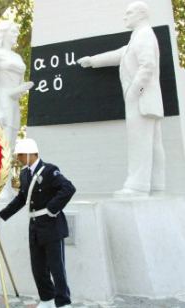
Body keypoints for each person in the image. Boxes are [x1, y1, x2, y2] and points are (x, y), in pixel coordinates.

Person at [77, 1, 165, 196]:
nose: (125, 17)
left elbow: (147, 66)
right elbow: (120, 54)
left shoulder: (144, 35)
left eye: (129, 13)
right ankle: (156, 184)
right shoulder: (139, 36)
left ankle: (137, 186)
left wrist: (133, 92)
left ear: (141, 14)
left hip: (141, 100)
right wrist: (93, 61)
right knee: (153, 144)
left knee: (140, 141)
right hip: (147, 100)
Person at [0, 138, 76, 308]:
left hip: (52, 226)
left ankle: (63, 303)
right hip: (35, 227)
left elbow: (68, 188)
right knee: (38, 268)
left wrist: (52, 209)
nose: (20, 158)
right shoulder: (24, 174)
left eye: (22, 155)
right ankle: (47, 299)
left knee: (57, 268)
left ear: (32, 154)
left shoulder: (49, 170)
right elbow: (21, 199)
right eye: (19, 155)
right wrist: (1, 215)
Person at [0, 20, 34, 150]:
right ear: (3, 33)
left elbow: (17, 86)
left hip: (12, 104)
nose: (17, 34)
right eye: (13, 32)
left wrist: (22, 89)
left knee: (10, 148)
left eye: (17, 32)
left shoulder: (17, 57)